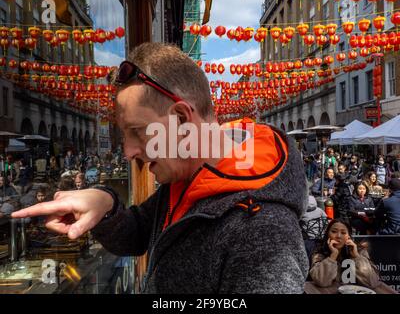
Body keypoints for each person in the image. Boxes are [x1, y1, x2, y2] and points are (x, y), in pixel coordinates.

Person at [12, 42, 309, 294]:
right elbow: (139, 232)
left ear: (180, 119)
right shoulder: (188, 178)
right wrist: (105, 203)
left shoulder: (264, 229)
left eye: (137, 132)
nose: (128, 152)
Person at [309, 219, 380, 289]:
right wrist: (333, 256)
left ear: (349, 236)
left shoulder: (359, 251)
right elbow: (321, 281)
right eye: (334, 231)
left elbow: (372, 282)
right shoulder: (320, 252)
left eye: (343, 233)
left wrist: (356, 257)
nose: (338, 236)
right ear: (328, 234)